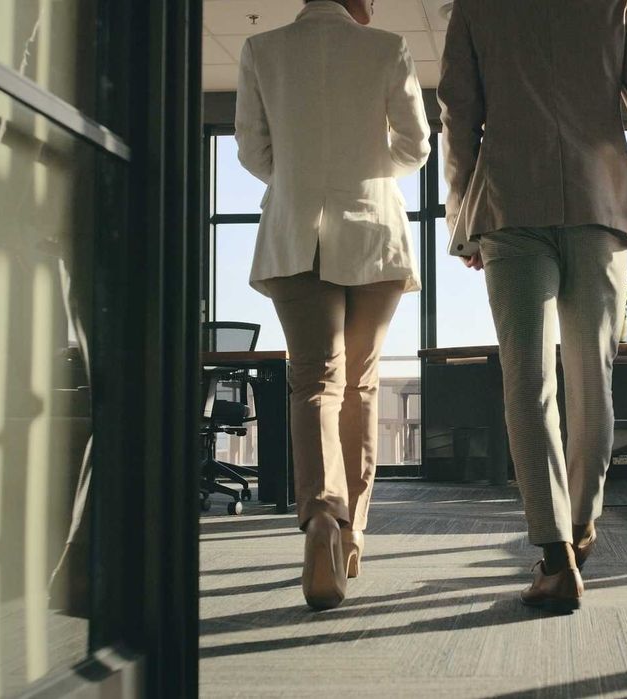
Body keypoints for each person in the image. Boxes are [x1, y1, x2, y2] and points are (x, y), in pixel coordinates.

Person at [439, 0, 627, 612]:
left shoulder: (476, 8)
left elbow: (459, 116)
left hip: (511, 206)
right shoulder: (613, 5)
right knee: (592, 377)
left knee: (527, 381)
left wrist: (462, 221)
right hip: (599, 206)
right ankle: (581, 525)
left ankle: (556, 559)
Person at [235, 0, 430, 610]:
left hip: (295, 232)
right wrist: (366, 164)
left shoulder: (262, 50)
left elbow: (253, 152)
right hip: (372, 231)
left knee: (314, 381)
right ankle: (352, 533)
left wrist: (302, 176)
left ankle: (322, 516)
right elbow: (416, 146)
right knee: (361, 385)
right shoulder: (388, 47)